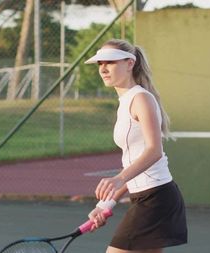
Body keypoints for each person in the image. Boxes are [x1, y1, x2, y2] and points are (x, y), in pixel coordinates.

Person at [84, 39, 188, 253]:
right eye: (100, 63)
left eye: (110, 62)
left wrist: (118, 178)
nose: (103, 68)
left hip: (156, 198)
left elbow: (154, 151)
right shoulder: (125, 102)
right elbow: (133, 162)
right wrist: (106, 205)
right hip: (146, 197)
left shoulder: (141, 99)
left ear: (130, 63)